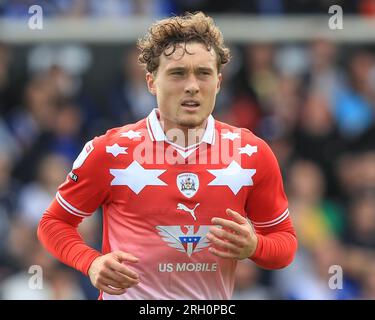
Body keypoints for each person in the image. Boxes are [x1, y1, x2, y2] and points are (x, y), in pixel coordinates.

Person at [37, 12, 297, 300]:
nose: (192, 85)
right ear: (151, 81)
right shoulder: (109, 151)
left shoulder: (252, 153)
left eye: (203, 73)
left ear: (219, 82)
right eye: (177, 73)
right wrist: (92, 262)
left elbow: (284, 243)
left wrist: (255, 248)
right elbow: (53, 223)